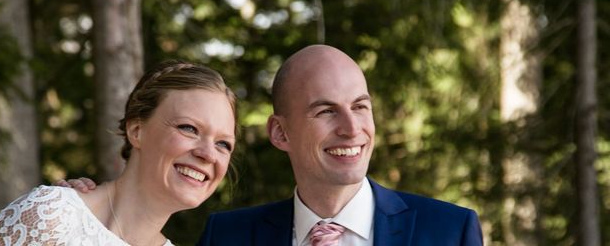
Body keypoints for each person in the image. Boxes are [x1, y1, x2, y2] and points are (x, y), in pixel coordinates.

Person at [196, 44, 483, 245]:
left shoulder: (449, 231)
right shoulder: (227, 237)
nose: (352, 128)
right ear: (281, 133)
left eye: (359, 107)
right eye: (326, 111)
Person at [0, 59, 237, 246]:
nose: (208, 154)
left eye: (223, 144)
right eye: (189, 128)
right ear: (137, 131)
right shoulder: (53, 217)